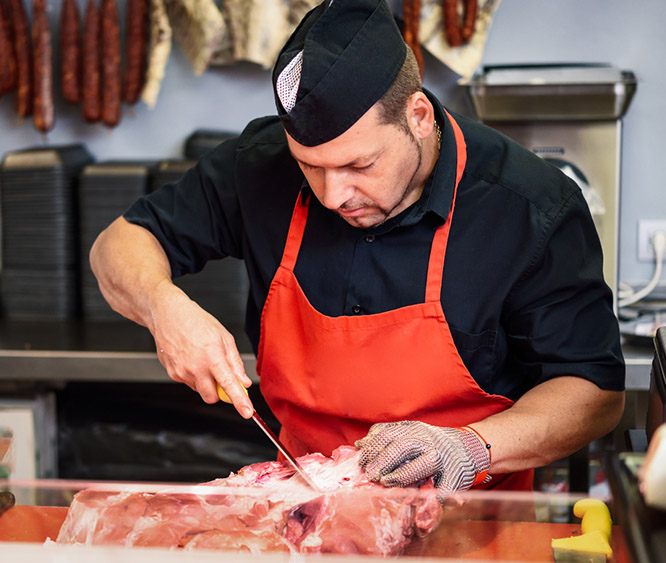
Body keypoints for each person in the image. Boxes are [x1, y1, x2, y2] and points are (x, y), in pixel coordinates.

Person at [90, 0, 625, 495]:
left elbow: (593, 391)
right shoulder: (259, 166)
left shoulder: (528, 206)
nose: (332, 195)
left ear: (418, 116)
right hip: (306, 515)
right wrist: (165, 309)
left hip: (473, 521)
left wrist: (467, 447)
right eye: (310, 167)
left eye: (359, 166)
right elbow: (118, 245)